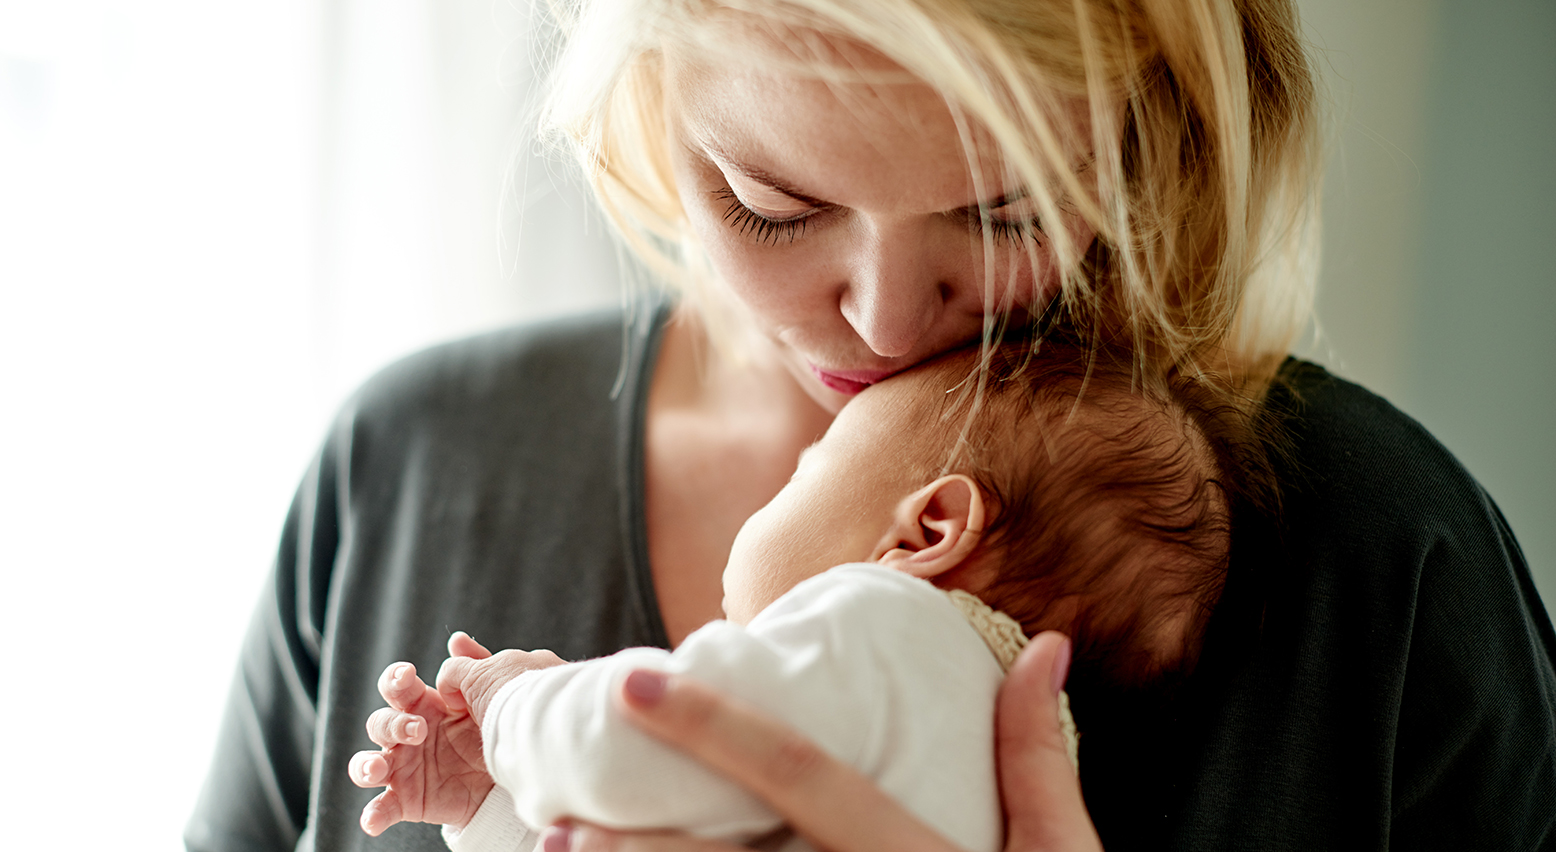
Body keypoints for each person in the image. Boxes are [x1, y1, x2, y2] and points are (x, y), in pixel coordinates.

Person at [185, 0, 1556, 848]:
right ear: (651, 116)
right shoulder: (407, 466)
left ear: (1150, 137)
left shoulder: (1384, 566)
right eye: (772, 203)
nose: (890, 326)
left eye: (1004, 210)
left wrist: (506, 709)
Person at [346, 338, 1249, 851]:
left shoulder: (890, 626)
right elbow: (633, 826)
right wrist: (487, 804)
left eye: (814, 466)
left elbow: (631, 748)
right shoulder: (1000, 755)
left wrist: (511, 706)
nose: (786, 474)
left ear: (927, 533)